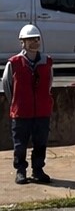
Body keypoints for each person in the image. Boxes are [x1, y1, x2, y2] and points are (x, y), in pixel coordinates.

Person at [3, 24, 52, 185]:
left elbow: (49, 83)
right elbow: (7, 84)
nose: (34, 42)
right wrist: (16, 102)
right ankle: (20, 170)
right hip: (21, 112)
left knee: (40, 143)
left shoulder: (47, 62)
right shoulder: (14, 63)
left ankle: (38, 170)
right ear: (22, 43)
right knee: (20, 144)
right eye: (29, 39)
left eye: (36, 39)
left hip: (42, 112)